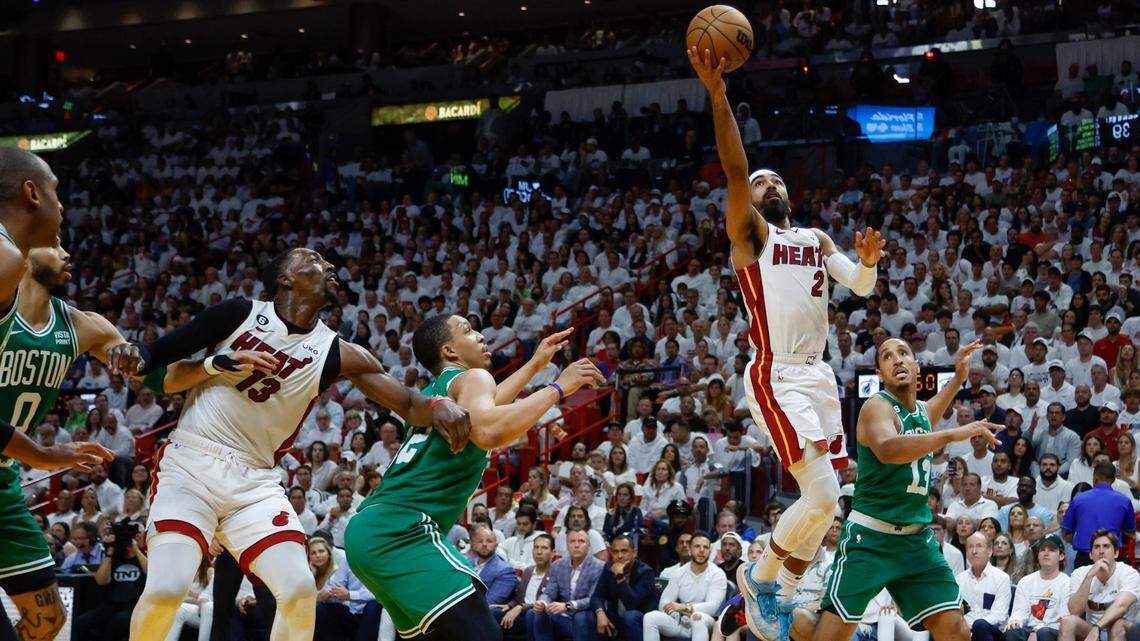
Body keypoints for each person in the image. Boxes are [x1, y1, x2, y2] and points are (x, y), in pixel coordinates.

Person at [115, 248, 474, 641]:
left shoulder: (338, 352)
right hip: (192, 462)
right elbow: (156, 357)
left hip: (256, 481)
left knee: (301, 590)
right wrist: (136, 354)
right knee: (167, 589)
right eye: (315, 260)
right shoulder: (238, 314)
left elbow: (407, 403)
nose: (331, 267)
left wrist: (438, 404)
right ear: (285, 278)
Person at [689, 45, 886, 641]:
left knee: (827, 501)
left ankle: (776, 583)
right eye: (758, 181)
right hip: (776, 372)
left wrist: (870, 263)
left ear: (788, 196)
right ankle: (763, 573)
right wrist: (719, 94)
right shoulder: (750, 236)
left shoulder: (819, 237)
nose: (766, 183)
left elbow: (861, 286)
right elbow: (731, 167)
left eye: (774, 179)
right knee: (823, 491)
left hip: (819, 374)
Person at [346, 320, 603, 641]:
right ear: (450, 350)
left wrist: (536, 365)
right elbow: (489, 430)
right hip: (403, 530)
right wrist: (557, 388)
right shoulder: (473, 377)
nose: (481, 335)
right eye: (468, 330)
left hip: (370, 531)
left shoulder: (437, 392)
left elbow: (487, 409)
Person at [750, 338, 998, 641]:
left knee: (956, 630)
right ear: (880, 373)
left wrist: (959, 379)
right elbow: (888, 448)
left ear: (917, 367)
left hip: (916, 543)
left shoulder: (919, 412)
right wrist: (952, 434)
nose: (897, 360)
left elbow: (931, 411)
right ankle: (791, 622)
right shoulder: (876, 407)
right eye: (887, 357)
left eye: (903, 353)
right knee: (828, 636)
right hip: (870, 539)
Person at [644, 531, 727, 641]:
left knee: (698, 617)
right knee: (650, 617)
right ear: (689, 549)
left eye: (705, 547)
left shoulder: (717, 574)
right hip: (681, 621)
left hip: (707, 622)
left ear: (710, 551)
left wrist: (684, 607)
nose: (701, 550)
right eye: (697, 546)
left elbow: (712, 607)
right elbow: (664, 604)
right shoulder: (678, 573)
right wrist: (676, 614)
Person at [1058, 530, 1138, 641]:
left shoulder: (1129, 573)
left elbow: (1121, 607)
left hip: (1122, 630)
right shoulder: (1080, 573)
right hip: (1091, 631)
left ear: (1116, 553)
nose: (1101, 551)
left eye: (1106, 546)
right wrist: (1089, 576)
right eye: (1096, 547)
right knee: (1068, 621)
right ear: (1091, 555)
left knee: (1117, 625)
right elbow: (1074, 611)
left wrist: (1098, 627)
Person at [534, 527, 606, 641]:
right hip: (563, 616)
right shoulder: (557, 565)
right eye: (572, 541)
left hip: (586, 615)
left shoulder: (600, 567)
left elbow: (593, 599)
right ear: (567, 545)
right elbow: (549, 592)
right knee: (535, 613)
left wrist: (568, 605)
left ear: (589, 545)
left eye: (581, 541)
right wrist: (543, 602)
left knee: (580, 617)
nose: (576, 545)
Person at [1060, 461, 1135, 567]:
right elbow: (1130, 532)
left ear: (1094, 479)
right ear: (1113, 480)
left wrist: (1082, 540)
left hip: (1084, 557)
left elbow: (1066, 533)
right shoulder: (1125, 501)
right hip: (1112, 556)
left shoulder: (1078, 499)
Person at [589, 534, 656, 641]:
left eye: (624, 551)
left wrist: (620, 576)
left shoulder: (646, 572)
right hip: (618, 619)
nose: (619, 556)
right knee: (588, 616)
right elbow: (597, 596)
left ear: (634, 552)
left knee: (630, 615)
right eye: (615, 552)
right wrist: (600, 613)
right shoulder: (608, 567)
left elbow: (631, 604)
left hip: (641, 621)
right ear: (611, 553)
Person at [1004, 535, 1069, 641]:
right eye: (1042, 550)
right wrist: (1015, 620)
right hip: (1029, 629)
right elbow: (1019, 611)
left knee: (1044, 633)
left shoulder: (1067, 583)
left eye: (1051, 550)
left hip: (1054, 630)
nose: (1046, 553)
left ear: (1061, 556)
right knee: (1012, 632)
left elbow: (1064, 618)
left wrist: (1037, 631)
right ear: (1038, 555)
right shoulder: (1025, 581)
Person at [957, 532, 1012, 641]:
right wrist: (964, 627)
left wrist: (972, 626)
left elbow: (999, 615)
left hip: (992, 632)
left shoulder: (1002, 578)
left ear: (990, 551)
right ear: (966, 552)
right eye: (970, 547)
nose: (974, 551)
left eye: (979, 546)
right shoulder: (958, 579)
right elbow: (956, 612)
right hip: (964, 630)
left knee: (980, 625)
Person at [499, 532, 554, 639]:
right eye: (536, 548)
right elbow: (518, 599)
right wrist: (509, 605)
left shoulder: (556, 573)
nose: (539, 552)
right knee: (495, 612)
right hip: (521, 613)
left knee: (531, 614)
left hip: (541, 615)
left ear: (552, 553)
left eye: (544, 548)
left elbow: (548, 603)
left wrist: (521, 607)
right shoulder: (528, 571)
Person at [467, 524, 518, 613]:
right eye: (480, 541)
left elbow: (489, 602)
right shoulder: (466, 563)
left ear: (496, 545)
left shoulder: (505, 570)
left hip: (483, 615)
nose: (484, 544)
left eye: (489, 541)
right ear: (473, 544)